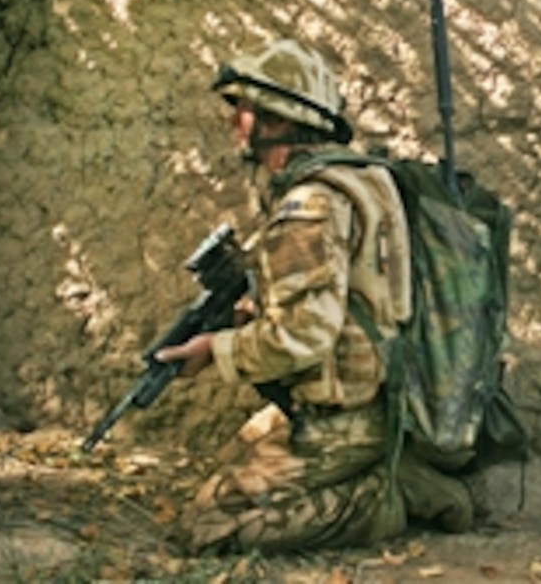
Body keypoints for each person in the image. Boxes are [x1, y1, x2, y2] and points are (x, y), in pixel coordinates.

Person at [154, 39, 476, 554]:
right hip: (364, 403)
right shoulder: (362, 178)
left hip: (342, 419)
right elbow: (349, 302)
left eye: (244, 109)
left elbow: (305, 334)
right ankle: (392, 467)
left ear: (278, 120)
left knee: (207, 528)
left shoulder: (311, 203)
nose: (234, 121)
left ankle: (394, 496)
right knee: (225, 472)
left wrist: (217, 350)